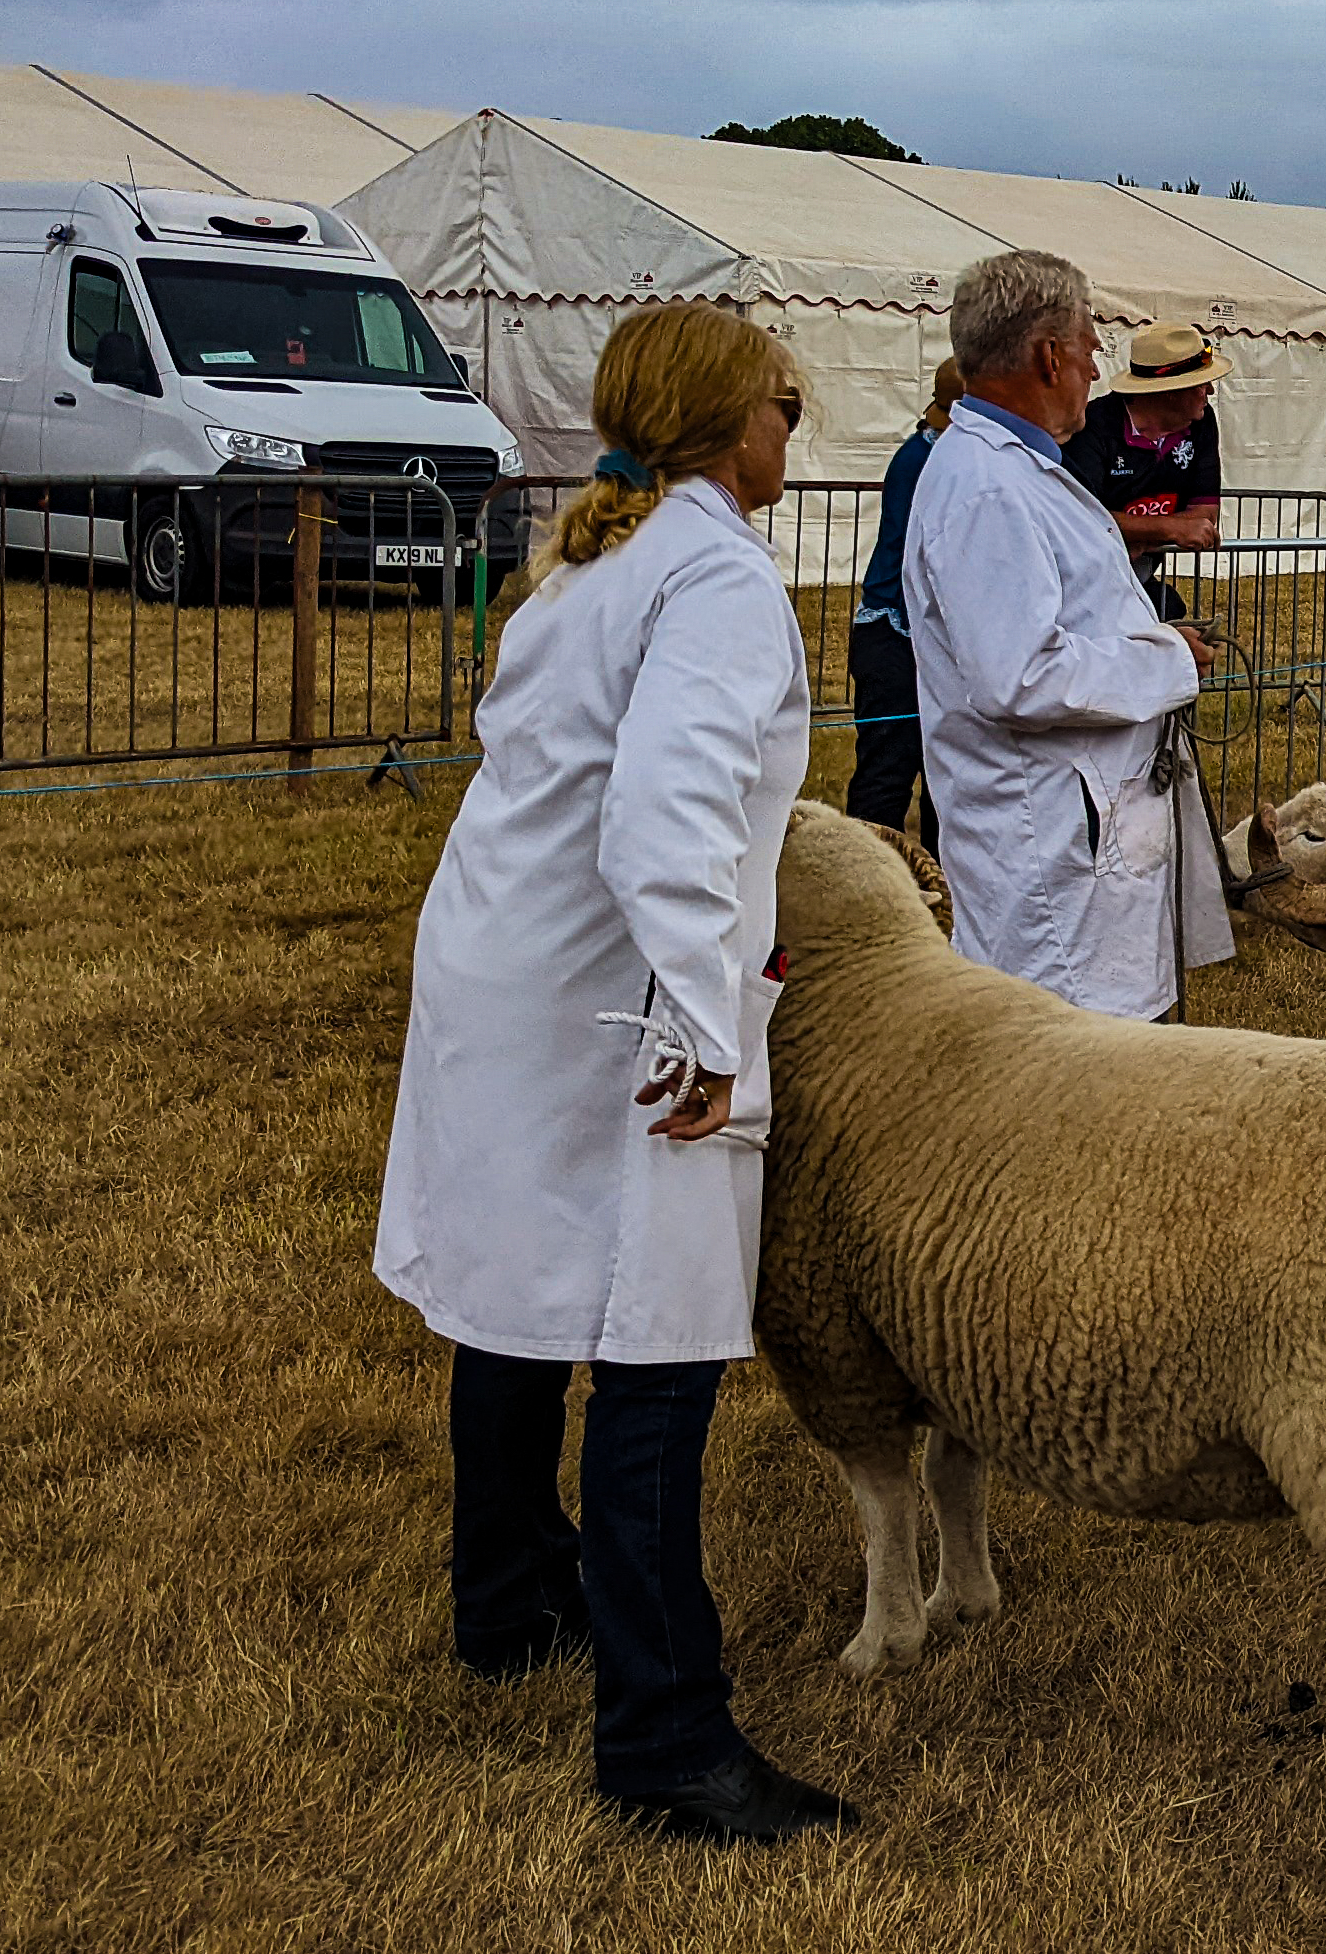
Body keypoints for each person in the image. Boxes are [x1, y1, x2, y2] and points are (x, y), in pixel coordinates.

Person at [374, 301, 852, 1845]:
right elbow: (665, 814)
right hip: (616, 987)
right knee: (656, 1336)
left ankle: (512, 1596)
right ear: (733, 421)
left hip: (512, 960)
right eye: (789, 401)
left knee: (518, 1290)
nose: (797, 428)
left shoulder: (590, 555)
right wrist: (709, 1026)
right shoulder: (713, 573)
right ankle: (665, 1733)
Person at [905, 248, 1229, 1021]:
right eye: (1088, 349)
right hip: (1053, 857)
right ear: (1050, 356)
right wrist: (1167, 661)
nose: (1092, 370)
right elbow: (1021, 675)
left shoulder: (1015, 472)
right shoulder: (988, 487)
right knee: (1071, 1086)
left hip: (1080, 839)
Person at [843, 358, 961, 841]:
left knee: (941, 774)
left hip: (918, 630)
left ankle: (940, 893)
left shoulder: (925, 451)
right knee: (887, 776)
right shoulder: (930, 459)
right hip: (896, 631)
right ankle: (870, 892)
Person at [1061, 321, 1228, 622]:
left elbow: (1204, 518)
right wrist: (1169, 529)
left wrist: (1133, 533)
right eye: (1201, 383)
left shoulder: (1202, 422)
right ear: (1169, 391)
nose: (1210, 391)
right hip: (1078, 589)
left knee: (1170, 614)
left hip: (1135, 576)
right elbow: (1081, 520)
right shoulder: (1093, 426)